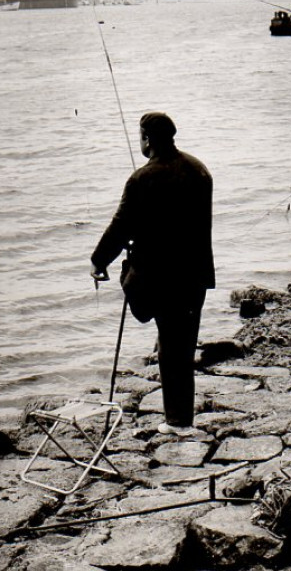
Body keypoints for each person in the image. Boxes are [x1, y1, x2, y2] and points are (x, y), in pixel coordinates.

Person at [90, 112, 214, 436]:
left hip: (161, 278)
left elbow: (120, 227)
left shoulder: (142, 179)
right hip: (195, 275)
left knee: (170, 346)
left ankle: (177, 423)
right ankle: (180, 417)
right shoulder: (199, 169)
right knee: (181, 347)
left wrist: (98, 261)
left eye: (140, 136)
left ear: (147, 139)